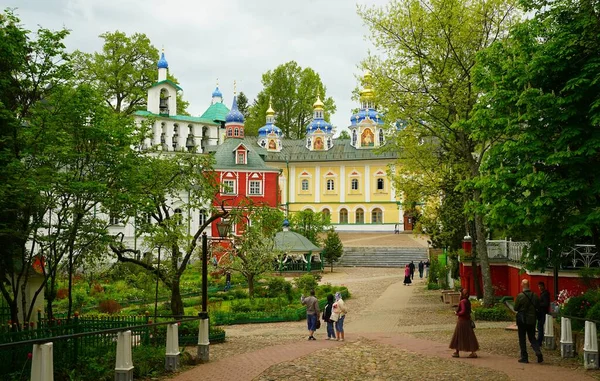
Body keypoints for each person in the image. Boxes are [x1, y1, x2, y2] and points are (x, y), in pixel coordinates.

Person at [514, 279, 543, 363]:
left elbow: (515, 308)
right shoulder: (535, 295)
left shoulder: (520, 296)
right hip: (532, 320)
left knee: (522, 338)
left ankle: (524, 357)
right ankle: (538, 351)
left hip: (522, 320)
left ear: (522, 285)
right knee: (532, 337)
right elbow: (538, 306)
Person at [449, 288, 479, 358]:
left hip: (462, 321)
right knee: (469, 336)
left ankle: (457, 352)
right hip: (467, 320)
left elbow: (463, 311)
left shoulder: (462, 301)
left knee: (458, 336)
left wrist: (457, 313)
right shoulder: (468, 301)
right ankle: (473, 352)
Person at [537, 281, 550, 347]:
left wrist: (538, 304)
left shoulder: (545, 294)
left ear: (543, 286)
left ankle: (539, 341)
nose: (539, 288)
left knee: (540, 326)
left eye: (540, 286)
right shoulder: (543, 293)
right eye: (538, 286)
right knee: (539, 326)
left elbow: (546, 304)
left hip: (543, 312)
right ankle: (539, 340)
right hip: (541, 312)